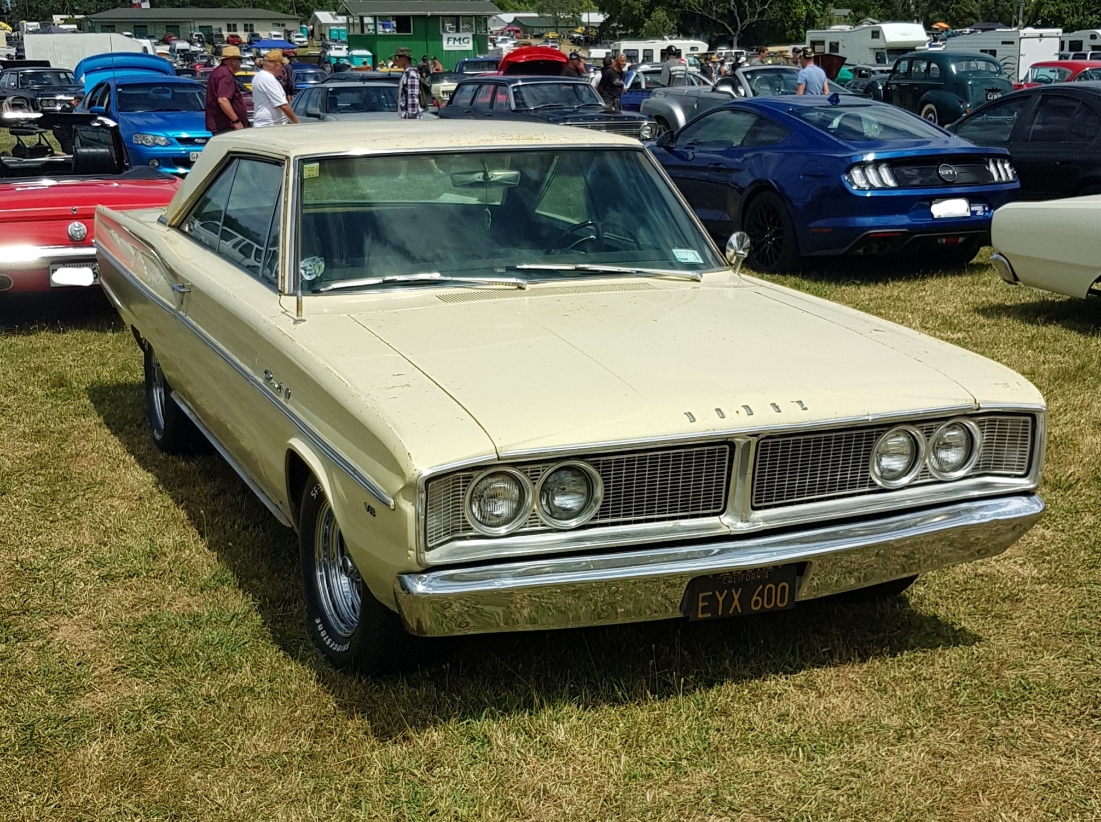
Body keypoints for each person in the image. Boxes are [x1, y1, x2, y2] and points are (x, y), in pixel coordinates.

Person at [204, 45, 248, 135]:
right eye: (239, 60)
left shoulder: (218, 72)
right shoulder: (226, 75)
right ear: (233, 60)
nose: (240, 63)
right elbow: (223, 100)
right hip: (227, 127)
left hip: (221, 125)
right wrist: (236, 121)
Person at [252, 49, 300, 127]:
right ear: (277, 65)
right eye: (282, 65)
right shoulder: (268, 79)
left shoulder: (259, 76)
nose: (282, 68)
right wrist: (297, 123)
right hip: (270, 126)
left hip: (267, 125)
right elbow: (282, 105)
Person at [395, 47, 422, 119]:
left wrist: (411, 118)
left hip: (411, 118)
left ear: (405, 58)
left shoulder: (411, 73)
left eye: (398, 57)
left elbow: (413, 97)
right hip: (405, 116)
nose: (396, 60)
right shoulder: (406, 73)